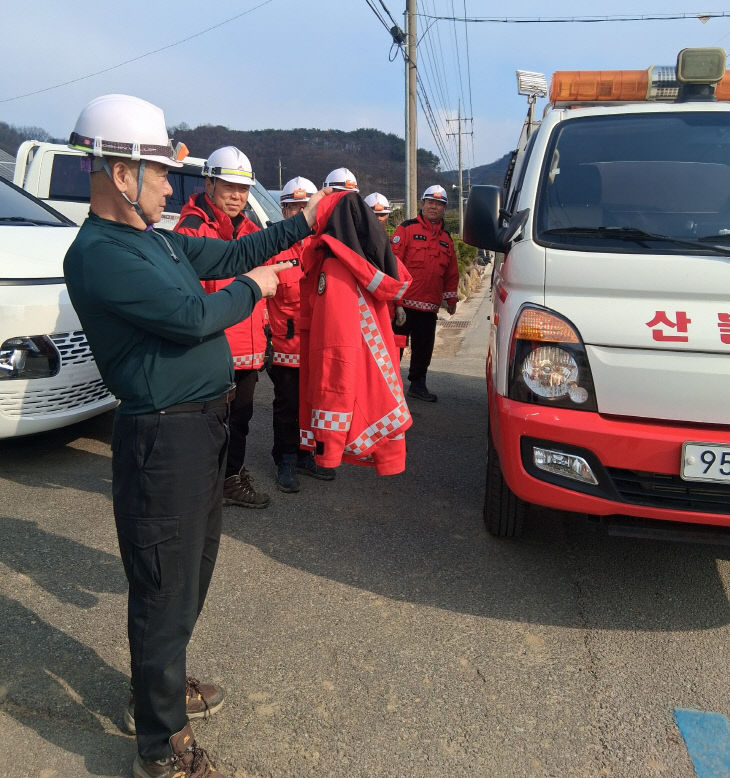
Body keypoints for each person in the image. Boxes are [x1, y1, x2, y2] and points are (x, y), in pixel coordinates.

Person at [63, 93, 328, 778]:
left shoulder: (153, 239)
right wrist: (259, 286)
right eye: (158, 175)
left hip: (200, 430)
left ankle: (160, 684)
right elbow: (189, 316)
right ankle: (160, 744)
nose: (165, 187)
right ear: (122, 175)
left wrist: (303, 225)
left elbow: (233, 251)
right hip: (163, 440)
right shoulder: (97, 253)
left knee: (190, 577)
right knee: (163, 584)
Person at [174, 146, 269, 509]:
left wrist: (267, 331)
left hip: (247, 347)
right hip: (214, 350)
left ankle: (230, 478)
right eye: (229, 186)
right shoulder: (193, 230)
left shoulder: (250, 229)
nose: (236, 196)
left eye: (243, 190)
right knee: (208, 423)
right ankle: (204, 487)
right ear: (209, 183)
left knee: (240, 418)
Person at [264, 176, 336, 492]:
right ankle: (286, 459)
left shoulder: (323, 248)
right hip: (284, 344)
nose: (298, 214)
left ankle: (307, 452)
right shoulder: (271, 246)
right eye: (292, 208)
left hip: (316, 346)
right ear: (283, 211)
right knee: (288, 405)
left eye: (304, 207)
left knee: (313, 402)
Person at [391, 185, 459, 403]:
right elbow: (394, 264)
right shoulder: (406, 229)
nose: (433, 207)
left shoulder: (446, 239)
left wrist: (451, 299)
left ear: (444, 208)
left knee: (423, 347)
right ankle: (388, 387)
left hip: (429, 306)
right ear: (422, 204)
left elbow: (451, 273)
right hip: (403, 305)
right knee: (396, 345)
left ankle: (418, 385)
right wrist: (396, 302)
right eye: (430, 202)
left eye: (438, 204)